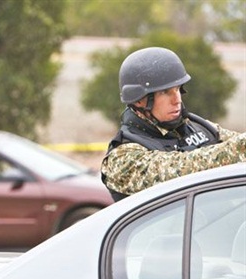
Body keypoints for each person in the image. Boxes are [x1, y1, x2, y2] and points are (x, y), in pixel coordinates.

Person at [101, 46, 246, 201]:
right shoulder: (122, 159)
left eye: (177, 90)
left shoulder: (200, 127)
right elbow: (181, 171)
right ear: (139, 100)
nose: (177, 100)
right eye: (165, 92)